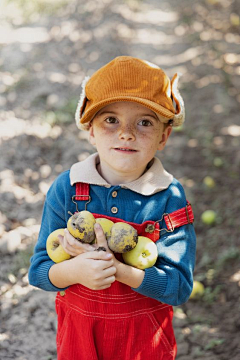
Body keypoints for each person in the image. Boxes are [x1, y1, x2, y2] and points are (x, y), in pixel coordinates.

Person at [28, 56, 196, 360]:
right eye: (111, 120)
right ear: (91, 130)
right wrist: (75, 270)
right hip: (81, 339)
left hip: (144, 342)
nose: (126, 133)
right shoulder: (68, 190)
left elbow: (179, 287)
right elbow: (39, 272)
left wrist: (119, 271)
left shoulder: (168, 197)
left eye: (145, 122)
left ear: (164, 136)